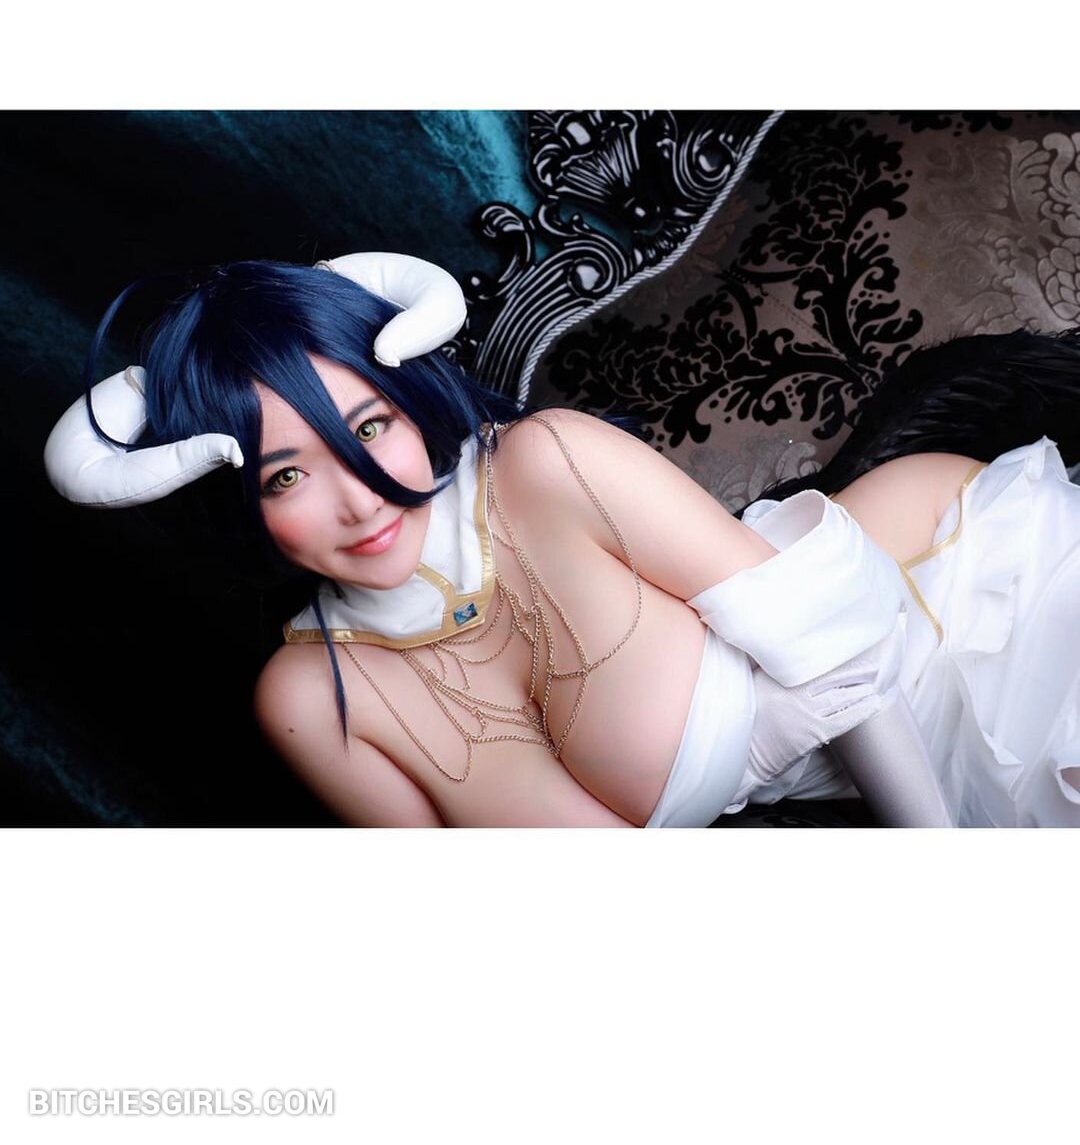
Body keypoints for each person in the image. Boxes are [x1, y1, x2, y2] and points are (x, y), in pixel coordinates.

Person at [43, 253, 1080, 827]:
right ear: (235, 499)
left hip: (962, 578)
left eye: (369, 427)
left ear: (410, 402)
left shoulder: (545, 465)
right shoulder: (315, 699)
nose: (359, 499)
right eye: (286, 475)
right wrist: (754, 748)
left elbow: (847, 662)